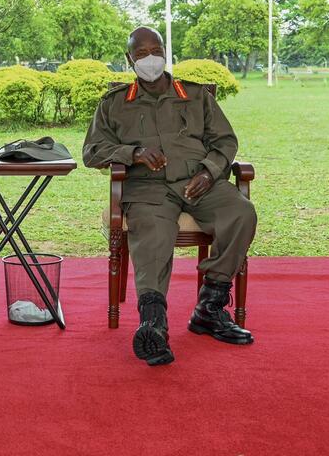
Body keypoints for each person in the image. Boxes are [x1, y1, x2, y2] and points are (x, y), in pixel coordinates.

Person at [82, 27, 256, 366]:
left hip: (199, 183)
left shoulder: (196, 95)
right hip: (148, 188)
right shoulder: (115, 103)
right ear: (130, 59)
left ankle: (210, 306)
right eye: (142, 53)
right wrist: (132, 153)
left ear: (165, 52)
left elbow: (225, 142)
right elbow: (92, 151)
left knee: (241, 213)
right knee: (152, 230)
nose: (151, 59)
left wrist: (209, 171)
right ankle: (154, 321)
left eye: (156, 50)